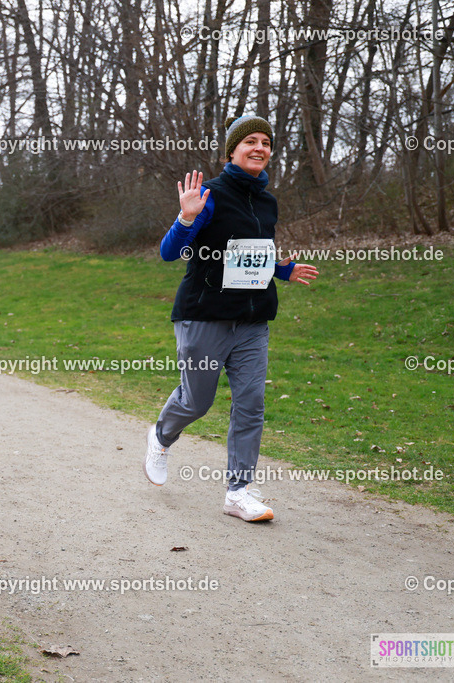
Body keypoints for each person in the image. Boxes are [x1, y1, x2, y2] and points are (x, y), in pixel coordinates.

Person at [145, 114, 319, 522]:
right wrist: (186, 217)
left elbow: (247, 253)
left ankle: (239, 491)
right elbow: (170, 253)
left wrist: (282, 270)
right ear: (232, 151)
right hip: (204, 316)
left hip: (253, 319)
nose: (259, 148)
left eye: (265, 142)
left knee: (250, 404)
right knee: (197, 401)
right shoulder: (210, 194)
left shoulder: (267, 201)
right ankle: (161, 435)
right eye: (250, 142)